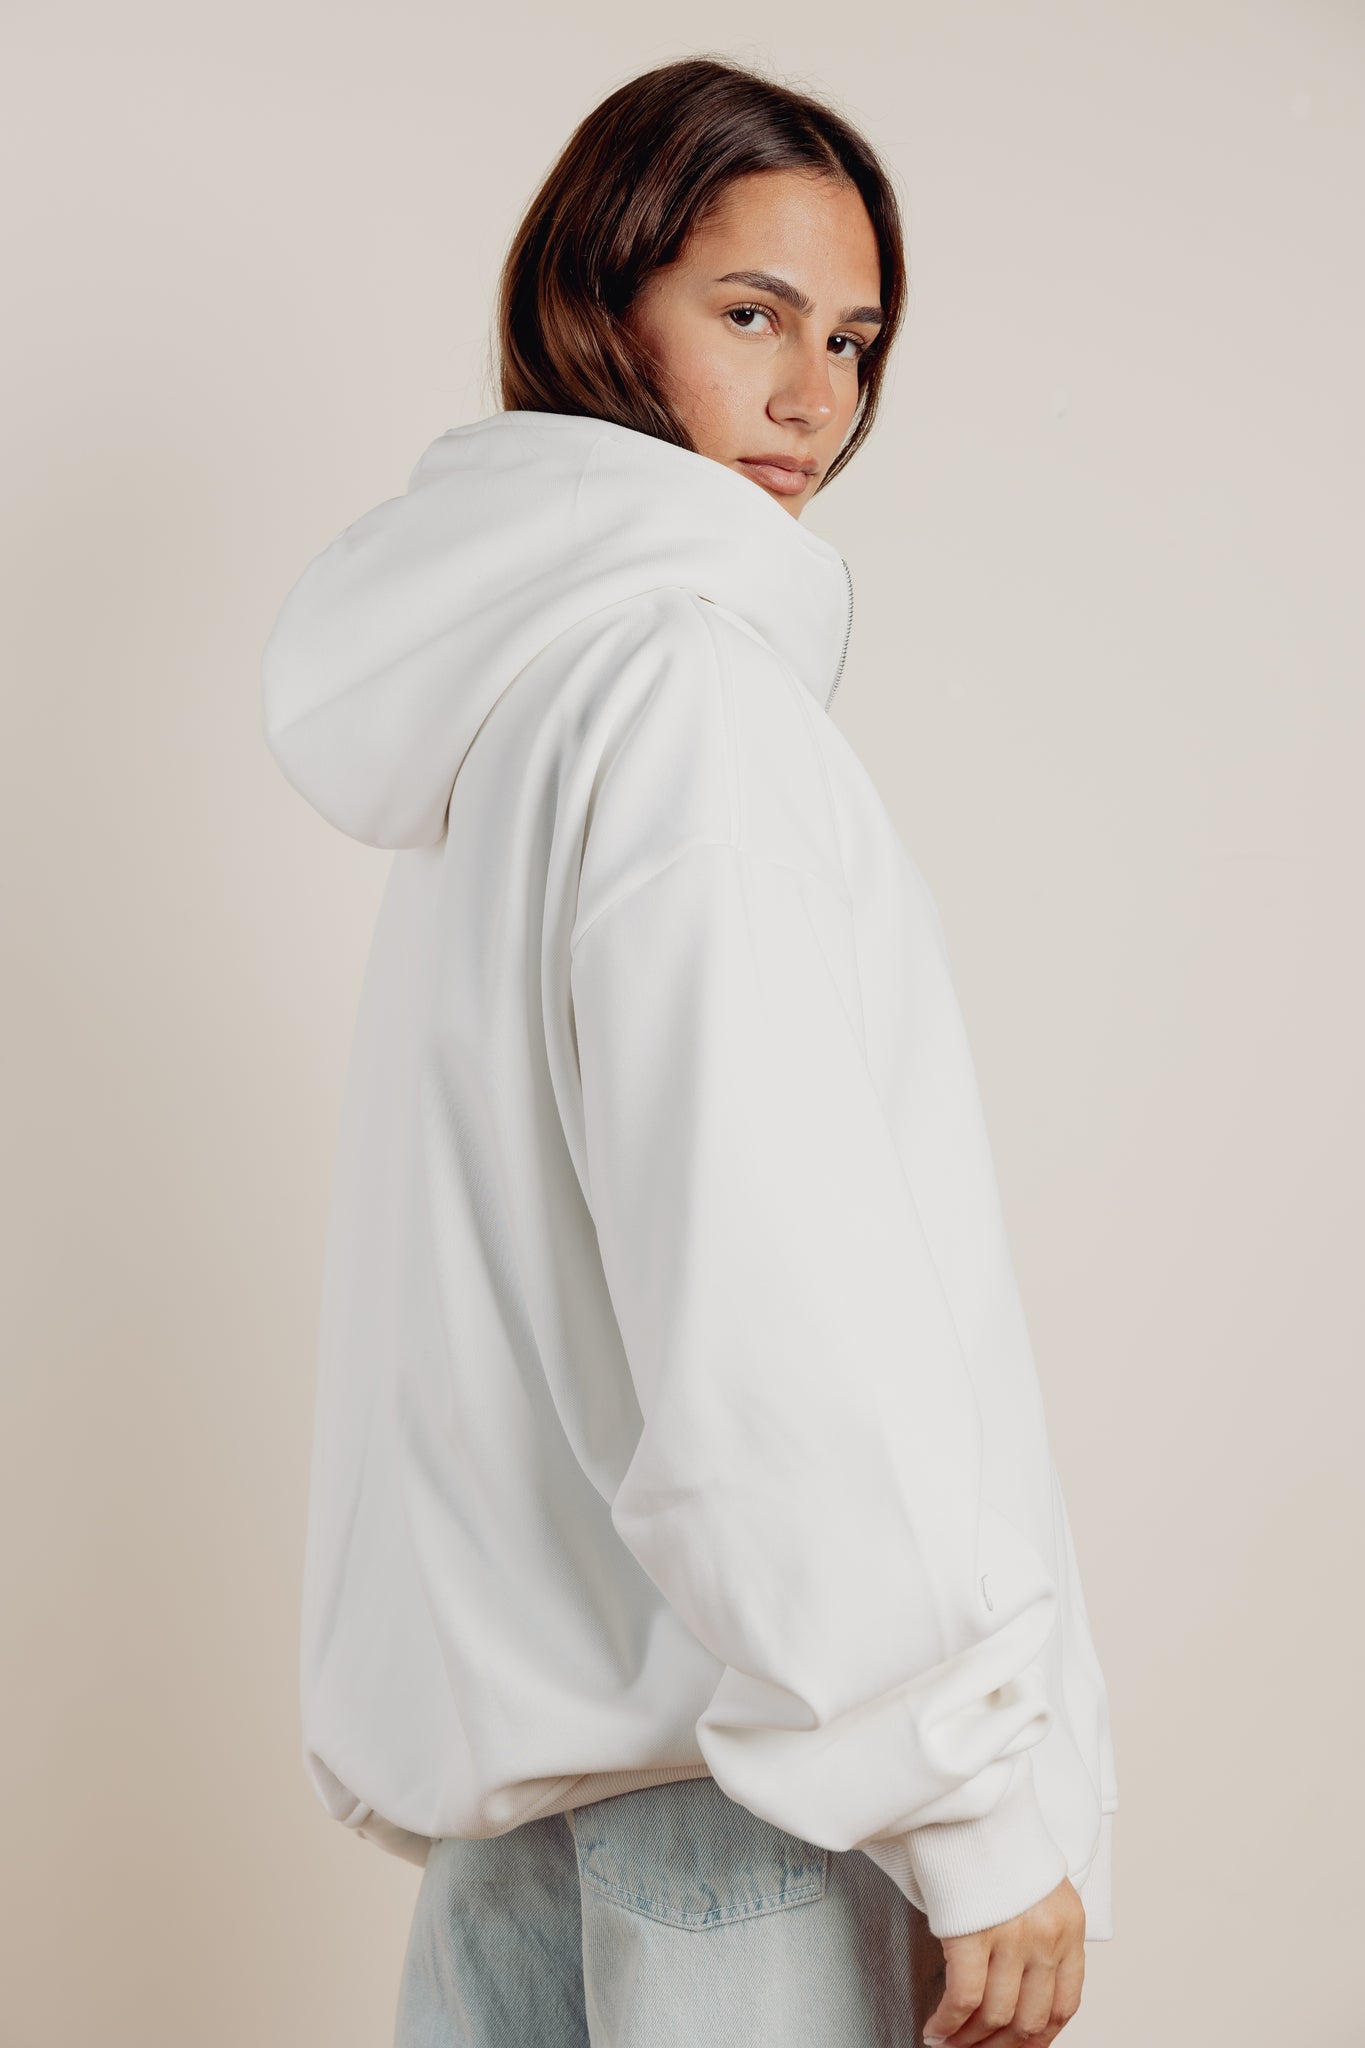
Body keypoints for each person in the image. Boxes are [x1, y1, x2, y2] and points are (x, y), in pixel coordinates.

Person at [260, 53, 1118, 2048]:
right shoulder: (685, 706)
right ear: (600, 304)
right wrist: (965, 1798)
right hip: (750, 1808)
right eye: (750, 314)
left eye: (852, 340)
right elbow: (765, 1295)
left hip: (523, 1812)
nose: (814, 396)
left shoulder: (513, 714)